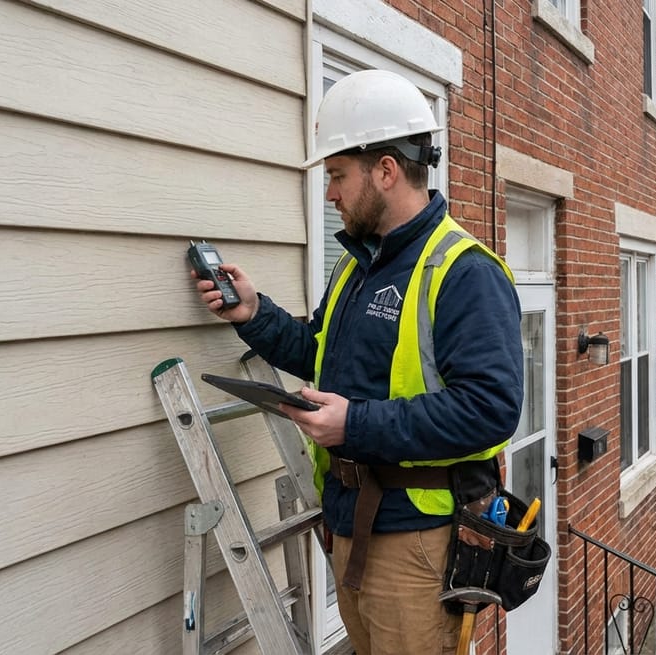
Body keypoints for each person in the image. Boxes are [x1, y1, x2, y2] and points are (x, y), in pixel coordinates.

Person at [193, 69, 524, 655]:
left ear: (386, 170)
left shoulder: (464, 272)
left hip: (418, 544)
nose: (331, 194)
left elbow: (490, 410)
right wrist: (253, 313)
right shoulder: (357, 266)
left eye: (338, 175)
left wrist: (354, 424)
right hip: (352, 528)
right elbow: (318, 354)